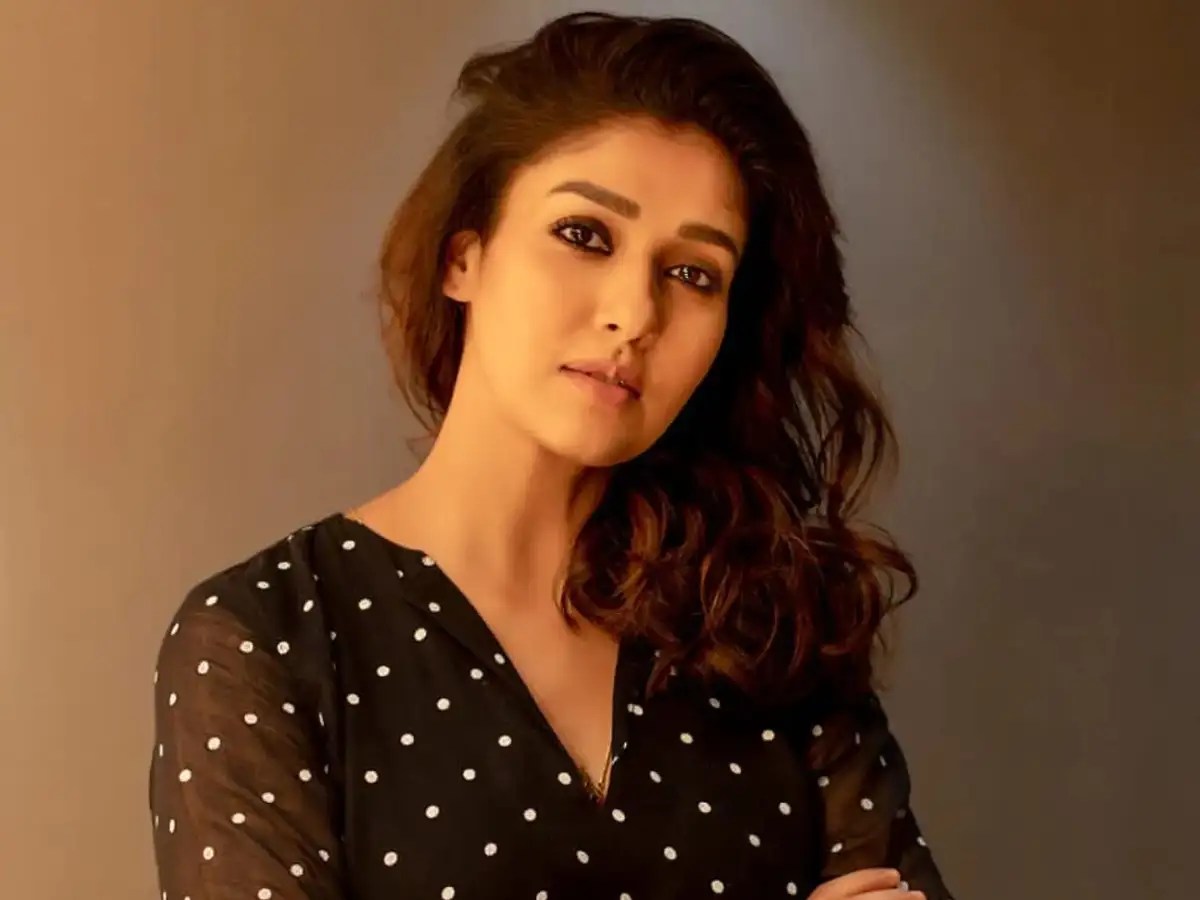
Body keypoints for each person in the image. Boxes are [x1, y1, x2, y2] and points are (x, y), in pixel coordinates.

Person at [149, 11, 957, 900]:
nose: (634, 315)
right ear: (464, 255)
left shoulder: (768, 625)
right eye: (584, 235)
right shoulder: (269, 637)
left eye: (693, 274)